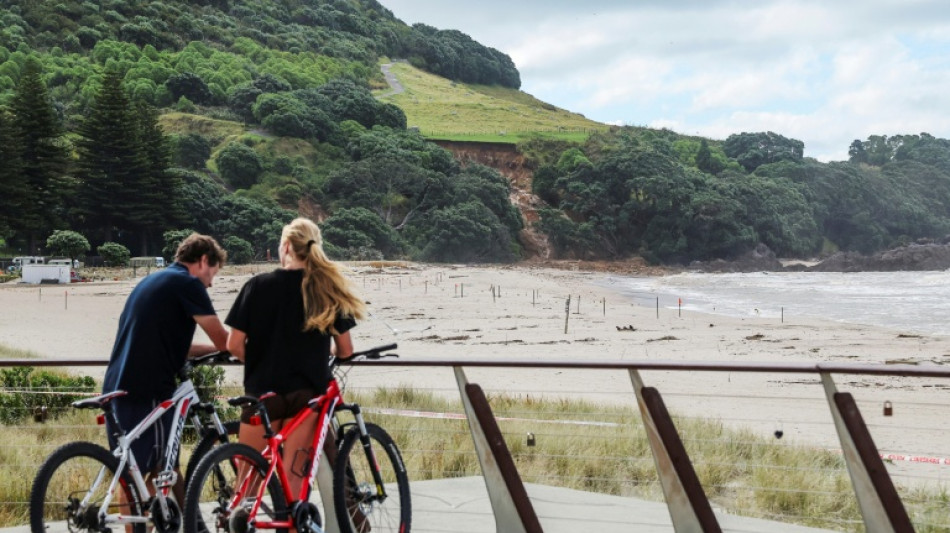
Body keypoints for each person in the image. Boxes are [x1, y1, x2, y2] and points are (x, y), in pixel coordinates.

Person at [226, 217, 366, 500]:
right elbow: (346, 350)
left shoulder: (257, 285)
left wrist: (261, 358)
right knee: (294, 485)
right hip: (306, 396)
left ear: (286, 246)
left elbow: (234, 345)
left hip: (261, 392)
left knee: (247, 485)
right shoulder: (326, 290)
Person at [102, 233, 229, 501]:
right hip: (147, 389)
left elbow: (179, 347)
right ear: (203, 260)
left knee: (147, 470)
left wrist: (214, 348)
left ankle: (183, 522)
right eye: (212, 275)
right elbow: (223, 339)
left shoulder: (154, 281)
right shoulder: (188, 284)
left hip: (118, 382)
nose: (210, 284)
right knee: (145, 475)